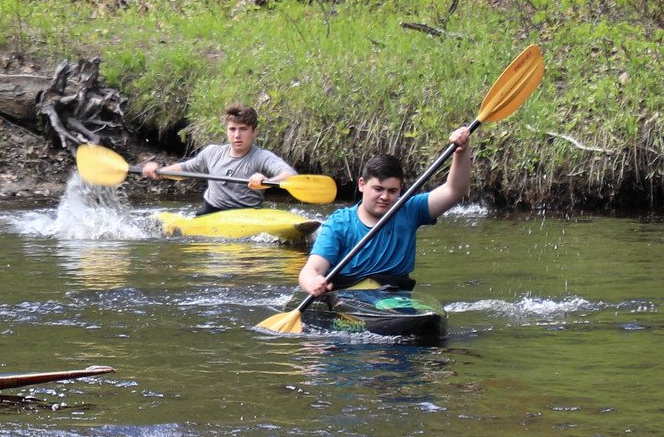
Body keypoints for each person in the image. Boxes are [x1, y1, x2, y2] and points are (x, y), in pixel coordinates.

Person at [298, 127, 471, 297]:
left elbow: (454, 190)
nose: (385, 197)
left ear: (400, 189)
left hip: (394, 297)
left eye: (392, 191)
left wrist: (461, 152)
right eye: (378, 189)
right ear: (362, 184)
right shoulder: (339, 224)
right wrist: (313, 282)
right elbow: (312, 268)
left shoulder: (409, 210)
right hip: (348, 298)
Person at [140, 104, 298, 215]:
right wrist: (159, 171)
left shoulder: (262, 157)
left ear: (254, 132)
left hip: (247, 214)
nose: (237, 135)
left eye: (243, 129)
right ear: (227, 131)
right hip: (211, 212)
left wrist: (266, 181)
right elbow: (185, 170)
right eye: (232, 129)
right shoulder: (212, 152)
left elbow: (290, 175)